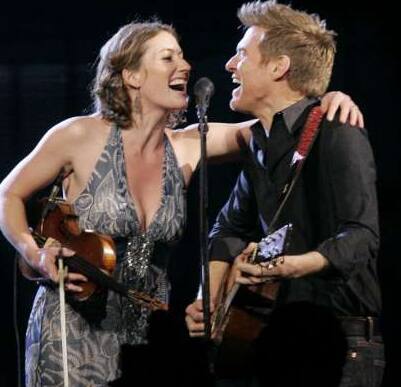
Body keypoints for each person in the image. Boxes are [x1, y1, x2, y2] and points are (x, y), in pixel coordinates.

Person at [0, 19, 361, 387]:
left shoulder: (187, 146)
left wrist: (324, 103)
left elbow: (279, 122)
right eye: (167, 58)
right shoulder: (77, 135)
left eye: (183, 56)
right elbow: (8, 194)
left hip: (149, 338)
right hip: (71, 329)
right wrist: (33, 253)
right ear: (132, 76)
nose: (185, 66)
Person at [185, 2, 384, 387]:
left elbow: (362, 237)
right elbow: (226, 228)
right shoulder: (261, 141)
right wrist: (208, 299)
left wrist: (293, 265)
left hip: (343, 344)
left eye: (243, 54)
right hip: (279, 340)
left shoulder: (336, 129)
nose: (229, 64)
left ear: (279, 67)